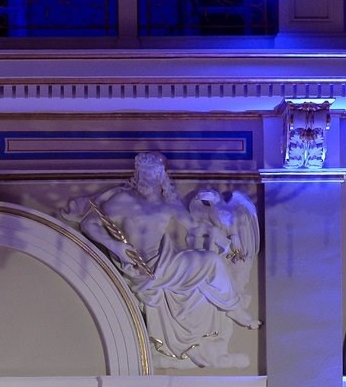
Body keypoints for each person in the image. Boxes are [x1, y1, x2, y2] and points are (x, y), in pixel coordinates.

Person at [61, 151, 259, 368]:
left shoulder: (169, 204)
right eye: (142, 173)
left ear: (161, 176)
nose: (146, 178)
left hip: (166, 261)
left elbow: (195, 227)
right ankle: (233, 307)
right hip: (142, 267)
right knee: (211, 262)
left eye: (151, 173)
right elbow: (89, 224)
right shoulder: (124, 201)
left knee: (211, 261)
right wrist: (116, 247)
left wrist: (230, 238)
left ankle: (232, 308)